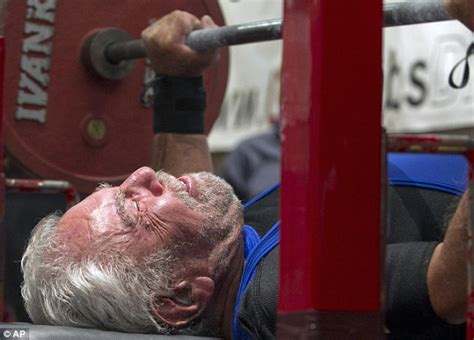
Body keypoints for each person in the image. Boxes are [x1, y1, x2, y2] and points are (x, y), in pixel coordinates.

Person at [20, 8, 472, 340]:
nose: (141, 174)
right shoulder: (279, 296)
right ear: (180, 300)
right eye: (133, 208)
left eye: (118, 187)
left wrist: (177, 81)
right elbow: (451, 287)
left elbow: (184, 191)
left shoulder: (225, 262)